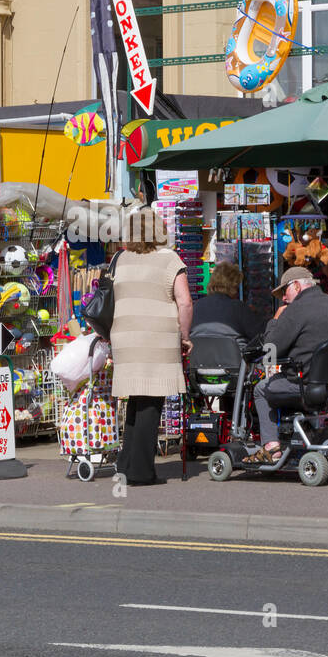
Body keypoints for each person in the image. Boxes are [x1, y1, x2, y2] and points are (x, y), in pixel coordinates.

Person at [110, 206, 193, 486]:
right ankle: (141, 472)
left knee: (135, 399)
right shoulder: (169, 259)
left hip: (124, 336)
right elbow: (184, 301)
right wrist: (184, 336)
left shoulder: (120, 259)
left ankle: (126, 463)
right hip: (155, 337)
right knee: (151, 402)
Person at [249, 266, 328, 464]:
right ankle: (310, 434)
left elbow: (271, 350)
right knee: (293, 378)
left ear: (296, 286)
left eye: (284, 292)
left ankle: (272, 448)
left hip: (307, 385)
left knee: (261, 389)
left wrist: (275, 320)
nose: (283, 299)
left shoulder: (295, 309)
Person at [190, 262, 266, 348]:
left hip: (201, 359)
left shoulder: (197, 306)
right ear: (233, 286)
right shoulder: (238, 308)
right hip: (235, 359)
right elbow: (261, 335)